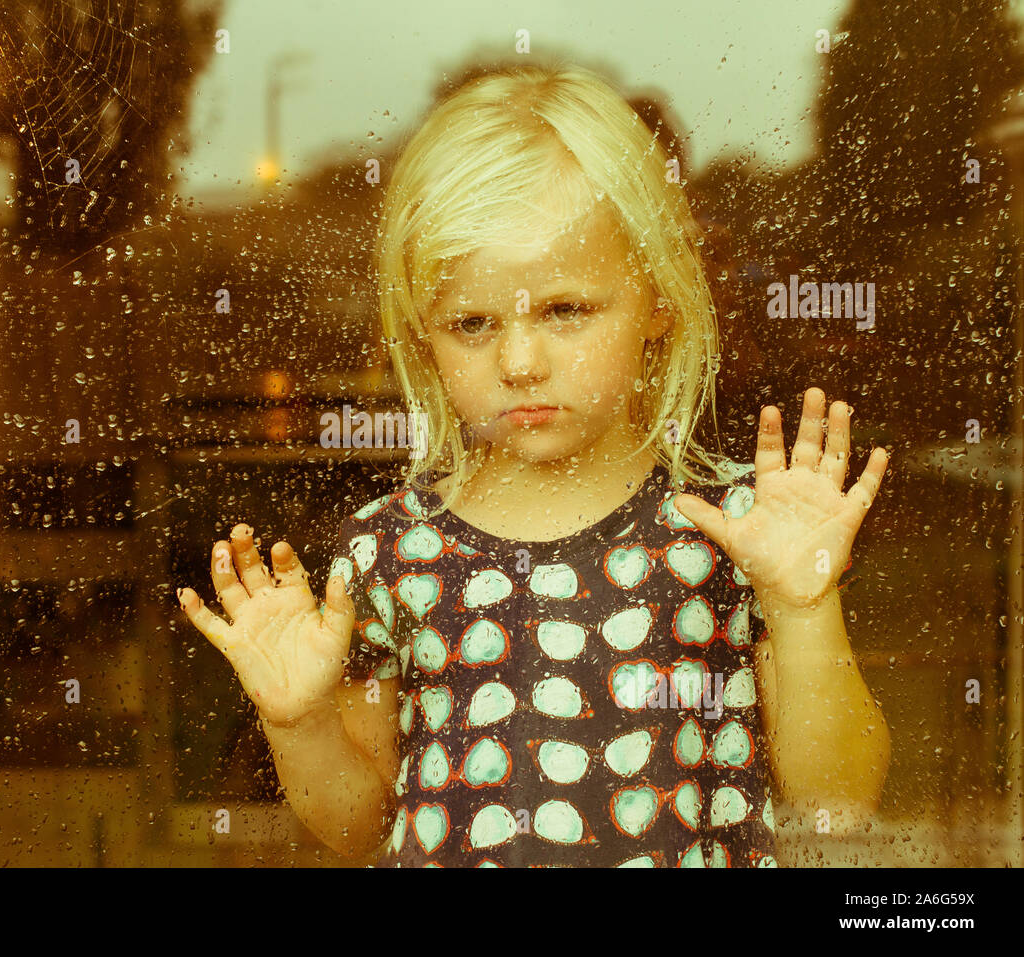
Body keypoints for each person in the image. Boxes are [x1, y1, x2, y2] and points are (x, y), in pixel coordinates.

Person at [177, 62, 891, 867]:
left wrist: (801, 605)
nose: (520, 361)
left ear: (658, 296)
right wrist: (300, 724)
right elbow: (359, 825)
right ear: (422, 334)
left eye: (565, 309)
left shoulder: (735, 532)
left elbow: (839, 802)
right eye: (472, 322)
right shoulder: (385, 554)